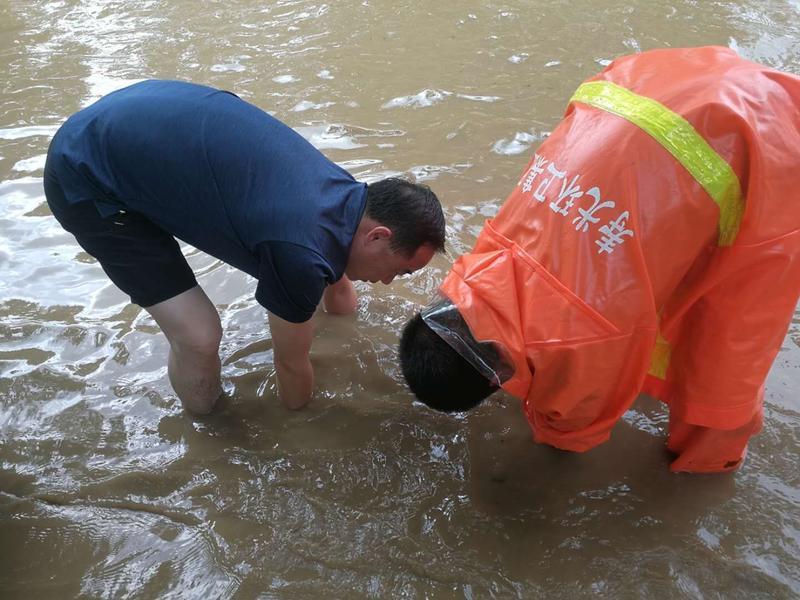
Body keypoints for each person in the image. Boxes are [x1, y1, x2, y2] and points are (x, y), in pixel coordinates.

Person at [400, 46, 800, 473]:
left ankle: (708, 468)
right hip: (647, 83)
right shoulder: (484, 256)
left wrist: (549, 437)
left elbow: (576, 426)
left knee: (725, 361)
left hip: (775, 152)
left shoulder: (585, 337)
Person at [44, 79, 445, 414]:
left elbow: (337, 284)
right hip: (85, 174)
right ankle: (209, 428)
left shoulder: (346, 199)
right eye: (401, 270)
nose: (392, 282)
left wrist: (352, 334)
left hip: (133, 120)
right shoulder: (301, 254)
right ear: (378, 236)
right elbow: (289, 365)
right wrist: (303, 428)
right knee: (200, 335)